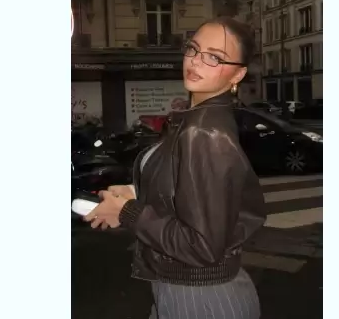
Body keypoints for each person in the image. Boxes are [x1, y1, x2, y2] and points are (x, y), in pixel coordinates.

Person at [84, 17, 266, 318]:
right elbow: (188, 192)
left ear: (238, 74)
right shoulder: (196, 120)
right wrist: (136, 193)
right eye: (193, 49)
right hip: (189, 292)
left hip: (200, 300)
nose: (195, 61)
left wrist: (128, 212)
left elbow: (202, 247)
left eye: (214, 57)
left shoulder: (204, 133)